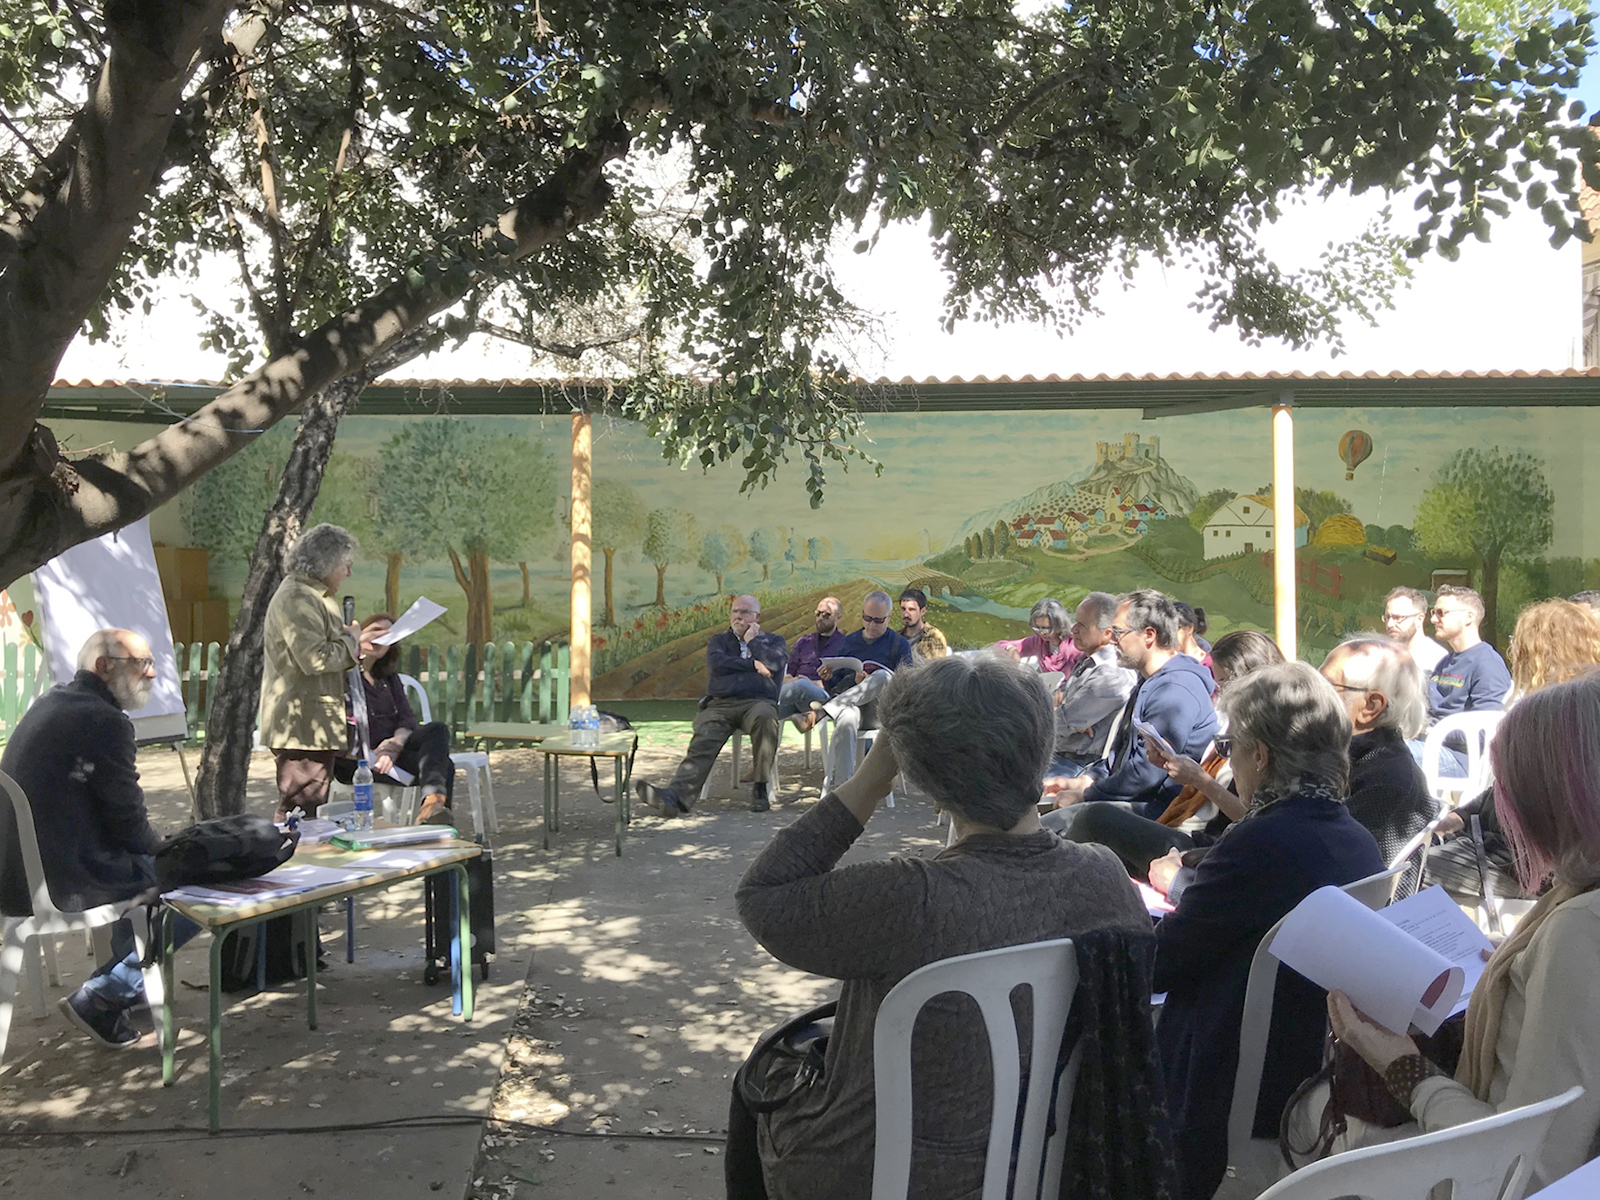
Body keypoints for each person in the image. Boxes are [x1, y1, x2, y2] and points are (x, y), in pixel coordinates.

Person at [729, 654, 1160, 1200]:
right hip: (1044, 1170)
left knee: (761, 1075)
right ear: (1040, 747)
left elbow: (762, 895)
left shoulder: (907, 897)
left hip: (874, 1171)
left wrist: (869, 778)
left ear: (923, 778)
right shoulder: (1105, 878)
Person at [1319, 671, 1600, 1192]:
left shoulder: (1581, 929)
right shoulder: (1574, 910)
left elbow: (1523, 1168)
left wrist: (1398, 1063)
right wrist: (1515, 966)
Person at [1153, 662, 1384, 1200]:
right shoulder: (1356, 838)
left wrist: (1146, 899)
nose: (1230, 761)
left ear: (1260, 754)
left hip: (1231, 1078)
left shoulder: (1260, 841)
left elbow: (1163, 962)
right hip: (1307, 1057)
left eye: (1232, 747)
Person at [0, 630, 197, 1049]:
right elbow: (129, 822)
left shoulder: (54, 701)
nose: (154, 673)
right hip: (62, 880)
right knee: (192, 880)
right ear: (104, 667)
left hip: (16, 872)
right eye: (142, 664)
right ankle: (106, 994)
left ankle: (131, 980)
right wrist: (172, 849)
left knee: (150, 866)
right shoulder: (104, 721)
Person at [1047, 629, 1280, 884]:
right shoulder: (1235, 721)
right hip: (1188, 825)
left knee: (1092, 818)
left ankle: (1047, 884)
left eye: (1223, 682)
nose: (1219, 691)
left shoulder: (1267, 742)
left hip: (1208, 844)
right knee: (1078, 825)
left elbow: (1255, 820)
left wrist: (1200, 780)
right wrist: (1170, 765)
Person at [1424, 599, 1600, 905]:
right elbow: (1504, 791)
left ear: (1538, 651)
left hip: (1531, 866)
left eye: (1518, 643)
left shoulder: (1554, 718)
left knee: (1413, 870)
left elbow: (1534, 819)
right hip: (1523, 854)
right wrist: (1462, 815)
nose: (1513, 650)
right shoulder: (1573, 707)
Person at [1042, 589, 1217, 818]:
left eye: (1118, 632)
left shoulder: (1174, 690)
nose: (1112, 639)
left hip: (1162, 811)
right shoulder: (1149, 680)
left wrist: (1086, 795)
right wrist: (1085, 780)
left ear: (1149, 635)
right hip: (1139, 800)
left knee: (1070, 821)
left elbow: (1146, 775)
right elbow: (1123, 758)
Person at [635, 595, 788, 816]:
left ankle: (760, 788)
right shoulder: (720, 641)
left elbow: (774, 663)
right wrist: (753, 664)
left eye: (744, 612)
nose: (738, 616)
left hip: (758, 702)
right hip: (721, 704)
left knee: (766, 718)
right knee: (705, 734)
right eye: (735, 611)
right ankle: (675, 797)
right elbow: (717, 666)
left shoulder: (773, 641)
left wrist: (753, 642)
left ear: (757, 617)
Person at [259, 523, 362, 821]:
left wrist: (349, 644)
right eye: (346, 565)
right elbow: (315, 659)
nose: (349, 573)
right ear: (327, 562)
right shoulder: (298, 597)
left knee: (308, 807)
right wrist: (352, 642)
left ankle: (297, 858)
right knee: (298, 811)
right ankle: (288, 863)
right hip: (302, 726)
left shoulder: (315, 594)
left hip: (313, 722)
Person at [1319, 635, 1435, 895]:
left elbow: (1335, 870)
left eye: (1324, 685)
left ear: (1370, 706)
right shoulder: (1352, 757)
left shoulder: (1384, 776)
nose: (1311, 693)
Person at [333, 614, 456, 823]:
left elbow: (407, 720)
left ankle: (432, 807)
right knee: (445, 767)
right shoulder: (343, 675)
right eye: (376, 630)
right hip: (357, 760)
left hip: (391, 755)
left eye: (389, 635)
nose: (382, 637)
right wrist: (373, 754)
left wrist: (393, 746)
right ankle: (434, 820)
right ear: (359, 633)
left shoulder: (389, 678)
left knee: (437, 729)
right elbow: (340, 727)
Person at [814, 591, 914, 788]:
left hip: (881, 711)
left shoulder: (899, 645)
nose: (871, 625)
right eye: (867, 618)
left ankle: (826, 709)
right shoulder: (849, 642)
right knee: (847, 717)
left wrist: (872, 682)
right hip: (851, 706)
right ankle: (845, 788)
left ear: (889, 617)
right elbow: (836, 685)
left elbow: (906, 686)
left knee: (883, 677)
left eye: (878, 620)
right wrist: (827, 678)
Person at [1413, 585, 1511, 779]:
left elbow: (1487, 729)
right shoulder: (1446, 662)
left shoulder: (1488, 663)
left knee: (1382, 759)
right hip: (1428, 746)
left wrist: (1431, 730)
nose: (1433, 619)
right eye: (1434, 612)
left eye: (1441, 613)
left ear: (1468, 618)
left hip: (1463, 761)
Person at [1049, 591, 1138, 776]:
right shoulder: (1087, 660)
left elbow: (1062, 722)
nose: (1073, 630)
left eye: (1082, 626)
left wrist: (1064, 714)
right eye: (1075, 622)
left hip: (1077, 764)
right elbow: (1062, 709)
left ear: (1106, 634)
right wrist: (1064, 712)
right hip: (1058, 753)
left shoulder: (1112, 674)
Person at [780, 597, 845, 731]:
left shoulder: (845, 644)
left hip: (824, 698)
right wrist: (794, 679)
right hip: (797, 696)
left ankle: (762, 695)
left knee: (801, 685)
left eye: (826, 615)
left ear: (838, 618)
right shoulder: (803, 642)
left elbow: (844, 681)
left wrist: (812, 682)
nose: (820, 618)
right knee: (767, 710)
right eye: (818, 613)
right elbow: (788, 673)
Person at [992, 597, 1082, 675]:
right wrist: (1010, 648)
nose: (1042, 633)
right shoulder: (1038, 642)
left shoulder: (1075, 644)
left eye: (1046, 628)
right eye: (1037, 628)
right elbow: (998, 645)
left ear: (1059, 625)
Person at [1383, 586, 1447, 672]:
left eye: (1397, 618)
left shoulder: (1437, 658)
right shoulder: (1382, 654)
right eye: (1387, 617)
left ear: (1419, 619)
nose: (1390, 624)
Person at [897, 587, 949, 661]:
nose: (906, 615)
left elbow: (936, 668)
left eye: (912, 609)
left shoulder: (933, 637)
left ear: (922, 611)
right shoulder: (896, 638)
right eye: (903, 609)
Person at [1172, 601, 1211, 666]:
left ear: (1189, 628)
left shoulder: (1209, 665)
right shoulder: (1165, 659)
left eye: (1173, 630)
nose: (1168, 636)